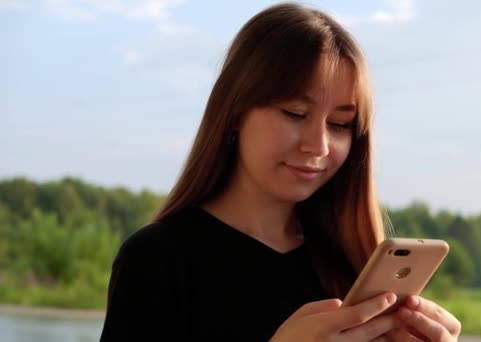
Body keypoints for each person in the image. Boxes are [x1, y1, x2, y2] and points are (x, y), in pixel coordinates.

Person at [99, 2, 461, 341]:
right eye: (295, 114)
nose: (318, 146)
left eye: (339, 124)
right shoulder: (157, 260)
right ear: (236, 112)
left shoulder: (351, 265)